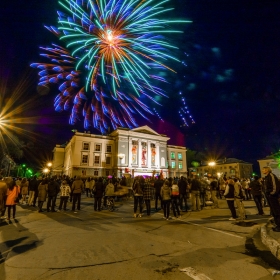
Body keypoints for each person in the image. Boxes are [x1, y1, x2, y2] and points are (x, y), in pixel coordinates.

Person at [262, 166, 280, 232]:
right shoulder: (266, 177)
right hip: (269, 197)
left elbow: (275, 186)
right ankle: (277, 224)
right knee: (273, 211)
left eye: (263, 169)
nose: (262, 171)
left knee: (277, 211)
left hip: (273, 197)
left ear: (267, 170)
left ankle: (279, 226)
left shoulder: (271, 176)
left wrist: (271, 194)